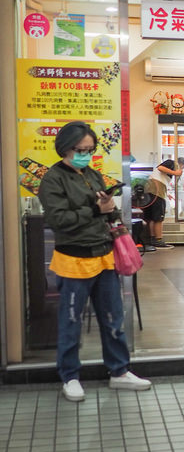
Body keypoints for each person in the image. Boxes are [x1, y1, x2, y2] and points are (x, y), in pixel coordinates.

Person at [37, 120, 151, 402]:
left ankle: (119, 371)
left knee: (113, 318)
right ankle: (70, 376)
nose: (85, 154)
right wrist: (94, 209)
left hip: (103, 256)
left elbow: (104, 213)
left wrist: (109, 209)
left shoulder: (93, 175)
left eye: (90, 149)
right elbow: (58, 220)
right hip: (72, 260)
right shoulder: (52, 179)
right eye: (80, 149)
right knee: (71, 321)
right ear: (64, 148)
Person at [144, 156, 184, 248]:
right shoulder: (172, 163)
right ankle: (158, 240)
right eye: (182, 168)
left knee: (151, 217)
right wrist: (175, 172)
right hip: (157, 191)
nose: (181, 170)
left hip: (150, 190)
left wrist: (167, 194)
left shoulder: (157, 176)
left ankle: (152, 239)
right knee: (159, 217)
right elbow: (160, 168)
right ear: (181, 164)